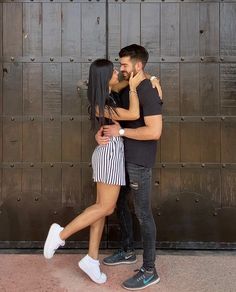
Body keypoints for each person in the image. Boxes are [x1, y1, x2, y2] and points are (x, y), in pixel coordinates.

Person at [43, 58, 159, 285]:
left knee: (100, 209)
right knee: (106, 207)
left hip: (109, 153)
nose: (118, 73)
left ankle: (92, 259)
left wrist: (151, 78)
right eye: (113, 71)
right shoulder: (101, 104)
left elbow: (128, 81)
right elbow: (134, 114)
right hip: (109, 155)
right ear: (105, 77)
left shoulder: (107, 95)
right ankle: (60, 234)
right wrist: (135, 88)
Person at [97, 44, 163, 290]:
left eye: (124, 65)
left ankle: (149, 270)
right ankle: (127, 249)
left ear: (138, 65)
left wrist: (121, 131)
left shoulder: (146, 88)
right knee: (120, 203)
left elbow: (154, 131)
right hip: (124, 157)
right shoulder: (131, 86)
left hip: (139, 160)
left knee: (143, 214)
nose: (121, 69)